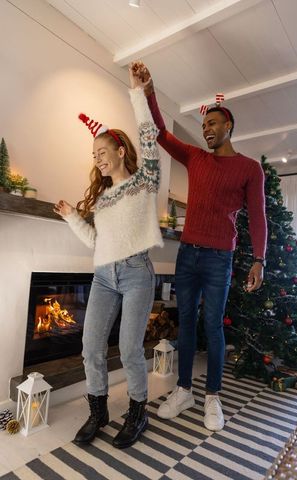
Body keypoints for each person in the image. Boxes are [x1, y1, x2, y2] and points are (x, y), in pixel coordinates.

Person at [132, 61, 267, 431]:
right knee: (186, 323)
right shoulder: (195, 158)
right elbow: (160, 132)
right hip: (188, 253)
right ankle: (184, 389)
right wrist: (149, 92)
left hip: (219, 259)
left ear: (229, 126)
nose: (206, 129)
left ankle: (212, 397)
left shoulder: (249, 169)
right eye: (204, 125)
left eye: (212, 123)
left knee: (213, 326)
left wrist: (259, 259)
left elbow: (258, 216)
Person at [54, 66, 163, 448]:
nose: (97, 159)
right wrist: (72, 217)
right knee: (90, 346)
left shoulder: (143, 183)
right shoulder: (102, 199)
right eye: (93, 154)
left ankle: (137, 412)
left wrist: (138, 93)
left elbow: (149, 137)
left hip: (136, 273)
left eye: (103, 152)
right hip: (103, 274)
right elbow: (96, 242)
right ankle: (98, 411)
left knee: (131, 348)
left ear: (120, 151)